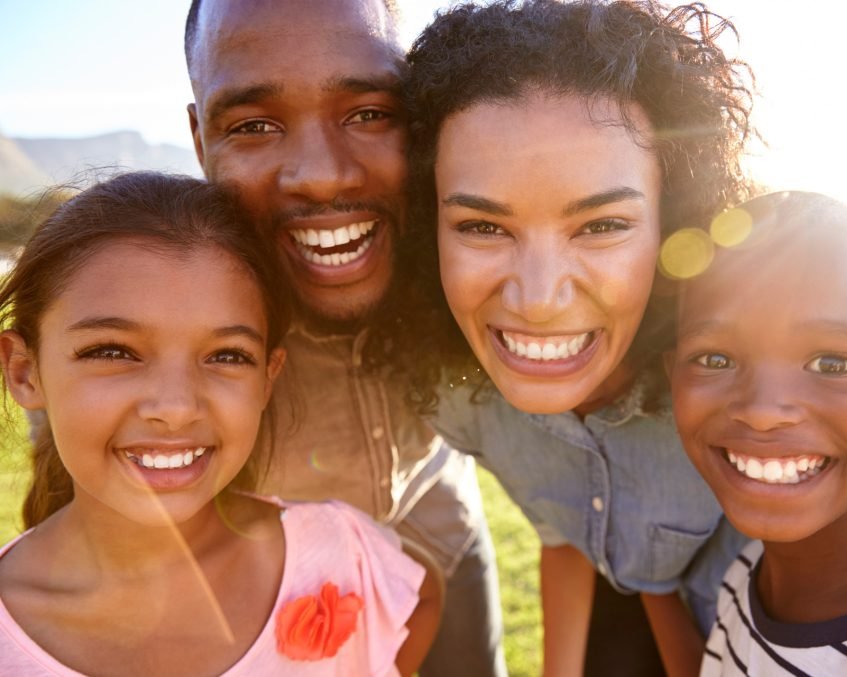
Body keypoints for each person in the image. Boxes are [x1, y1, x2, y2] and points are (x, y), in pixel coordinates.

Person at [401, 0, 754, 673]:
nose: (537, 300)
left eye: (599, 226)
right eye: (482, 227)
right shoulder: (467, 401)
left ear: (675, 224)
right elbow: (565, 529)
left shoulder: (740, 397)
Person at [0, 172, 442, 676]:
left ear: (267, 379)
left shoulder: (340, 555)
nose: (176, 407)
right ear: (24, 370)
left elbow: (420, 595)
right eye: (113, 351)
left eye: (227, 355)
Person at [183, 1, 505, 674]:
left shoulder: (469, 243)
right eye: (254, 125)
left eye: (368, 114)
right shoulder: (165, 305)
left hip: (443, 535)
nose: (323, 173)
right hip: (273, 595)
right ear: (198, 139)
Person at [667, 191, 847, 675]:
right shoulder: (745, 576)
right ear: (670, 375)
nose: (762, 412)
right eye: (715, 359)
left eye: (833, 363)